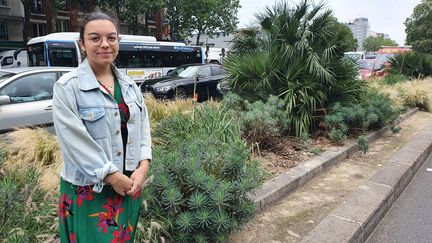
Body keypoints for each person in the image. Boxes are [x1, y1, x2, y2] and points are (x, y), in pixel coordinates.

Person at [52, 12, 152, 242]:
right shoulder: (68, 87)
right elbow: (73, 142)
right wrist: (111, 176)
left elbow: (143, 126)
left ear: (118, 42)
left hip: (129, 185)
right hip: (89, 190)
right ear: (83, 44)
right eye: (95, 38)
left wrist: (144, 166)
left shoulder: (129, 86)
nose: (105, 44)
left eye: (112, 38)